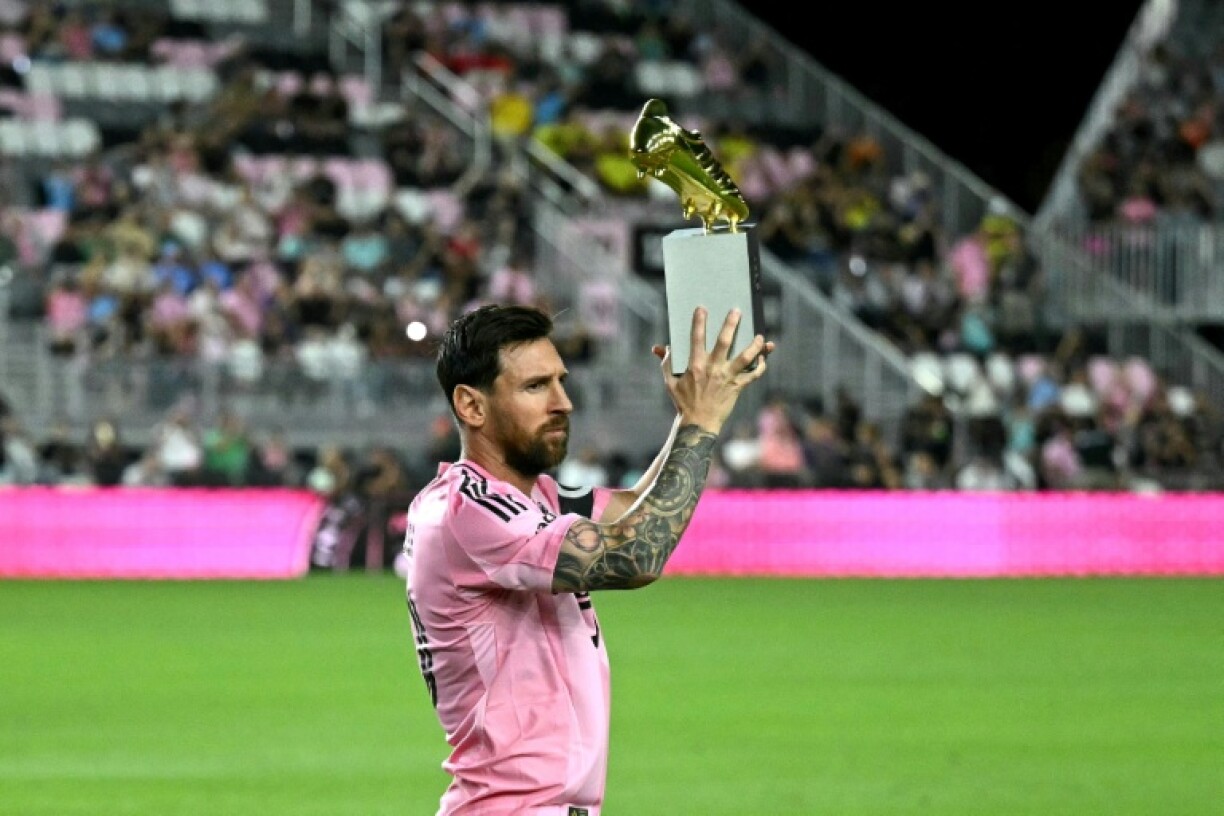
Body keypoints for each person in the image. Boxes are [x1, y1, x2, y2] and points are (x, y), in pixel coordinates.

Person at [403, 303, 775, 815]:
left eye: (561, 381)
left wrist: (696, 413)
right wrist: (701, 423)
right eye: (536, 387)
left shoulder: (534, 498)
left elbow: (635, 510)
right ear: (471, 405)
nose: (564, 402)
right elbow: (635, 554)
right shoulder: (467, 509)